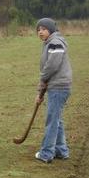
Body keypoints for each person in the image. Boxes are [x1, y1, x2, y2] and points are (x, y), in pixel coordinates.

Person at [34, 18, 72, 163]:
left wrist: (42, 81)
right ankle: (61, 151)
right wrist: (41, 93)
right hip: (56, 86)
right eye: (38, 30)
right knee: (57, 120)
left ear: (50, 29)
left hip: (59, 87)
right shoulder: (50, 43)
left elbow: (51, 67)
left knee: (52, 121)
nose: (40, 32)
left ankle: (46, 153)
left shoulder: (55, 43)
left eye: (43, 29)